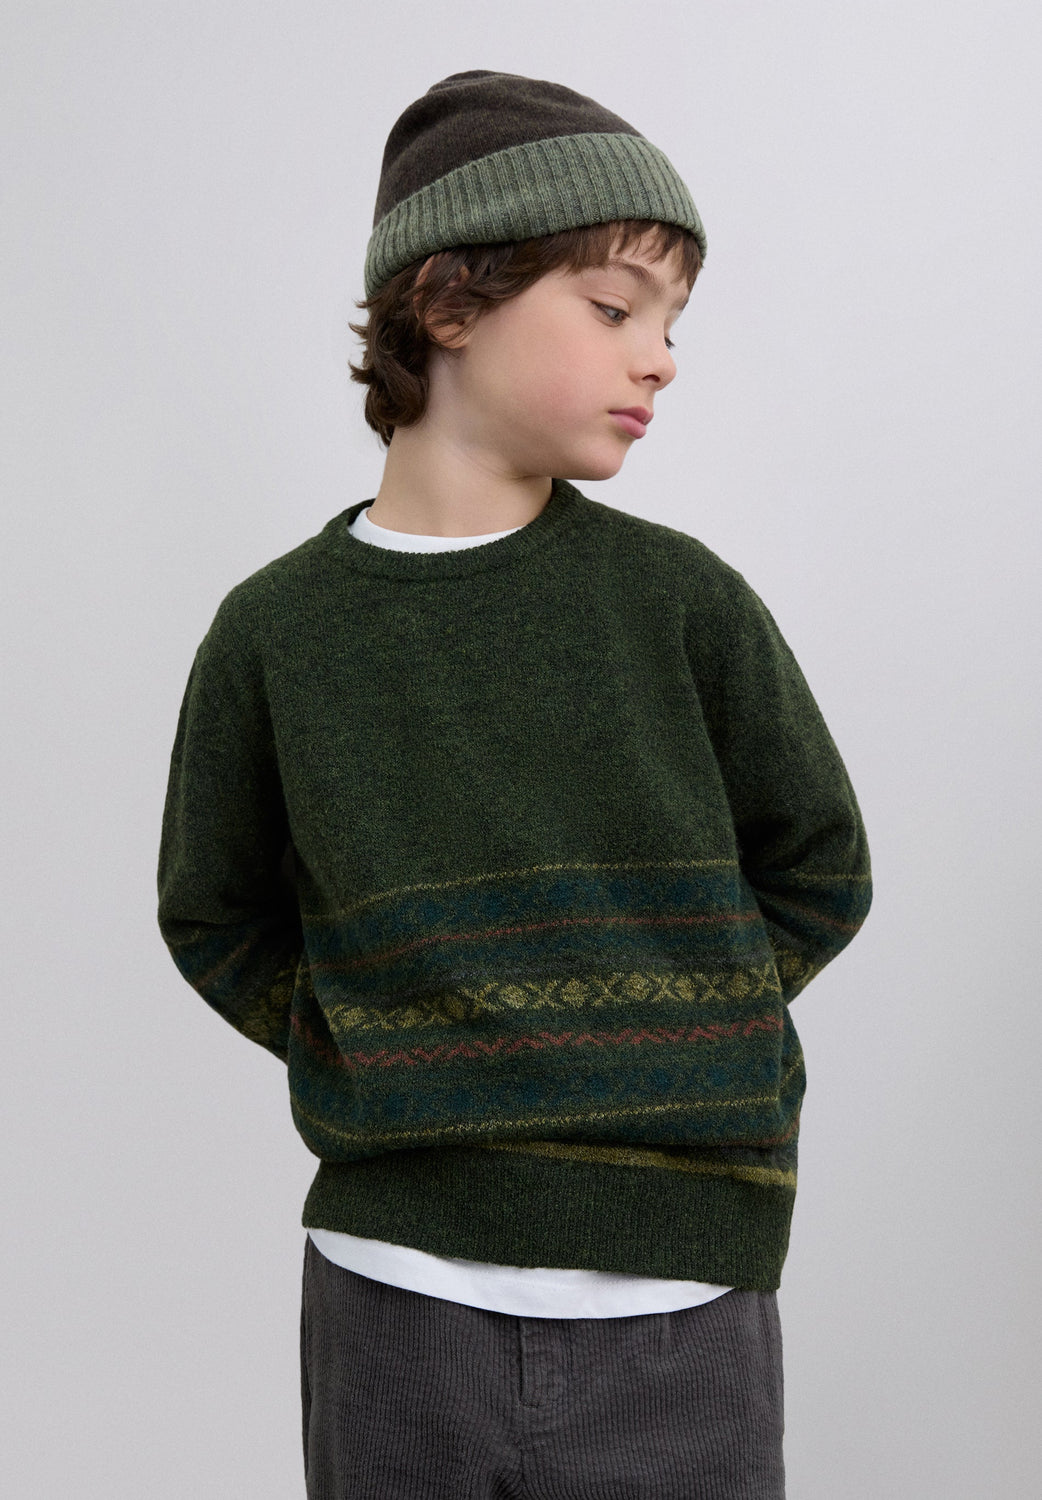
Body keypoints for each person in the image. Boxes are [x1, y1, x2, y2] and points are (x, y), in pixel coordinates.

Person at [157, 69, 872, 1499]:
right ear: (448, 302)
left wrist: (670, 1015)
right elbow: (212, 911)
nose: (659, 360)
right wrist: (379, 1040)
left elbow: (818, 865)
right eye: (614, 309)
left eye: (671, 324)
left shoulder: (679, 602)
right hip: (395, 1289)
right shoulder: (277, 632)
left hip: (682, 1299)